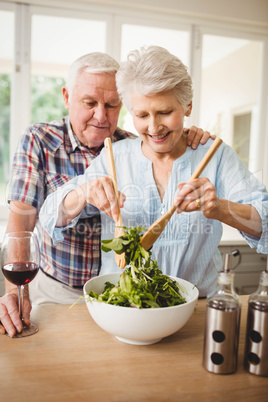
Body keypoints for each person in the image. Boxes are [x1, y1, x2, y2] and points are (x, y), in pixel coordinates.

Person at [0, 51, 211, 337]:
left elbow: (168, 145)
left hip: (115, 295)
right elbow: (22, 222)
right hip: (56, 290)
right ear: (66, 97)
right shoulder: (40, 140)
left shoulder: (134, 145)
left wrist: (188, 136)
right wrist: (15, 292)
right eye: (90, 103)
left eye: (112, 105)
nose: (102, 115)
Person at [40, 45, 268, 302]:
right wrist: (83, 193)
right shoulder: (114, 156)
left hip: (197, 311)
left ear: (187, 106)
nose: (154, 127)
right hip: (124, 308)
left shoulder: (213, 155)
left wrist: (221, 209)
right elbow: (49, 215)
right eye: (142, 115)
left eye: (165, 112)